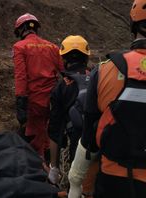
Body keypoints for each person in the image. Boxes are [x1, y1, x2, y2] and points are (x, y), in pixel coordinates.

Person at [68, 1, 146, 197]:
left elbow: (89, 138)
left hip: (112, 179)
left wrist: (75, 181)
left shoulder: (105, 69)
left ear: (133, 24)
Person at [47, 35, 98, 197]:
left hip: (77, 147)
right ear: (87, 55)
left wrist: (54, 167)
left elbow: (54, 131)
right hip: (102, 146)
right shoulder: (101, 77)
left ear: (63, 58)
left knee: (76, 187)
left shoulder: (61, 87)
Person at [13, 13, 64, 158]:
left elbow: (21, 77)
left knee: (33, 139)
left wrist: (20, 102)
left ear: (21, 30)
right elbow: (65, 73)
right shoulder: (53, 47)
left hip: (33, 102)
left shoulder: (19, 47)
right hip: (52, 102)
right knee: (48, 134)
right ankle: (51, 166)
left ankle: (39, 169)